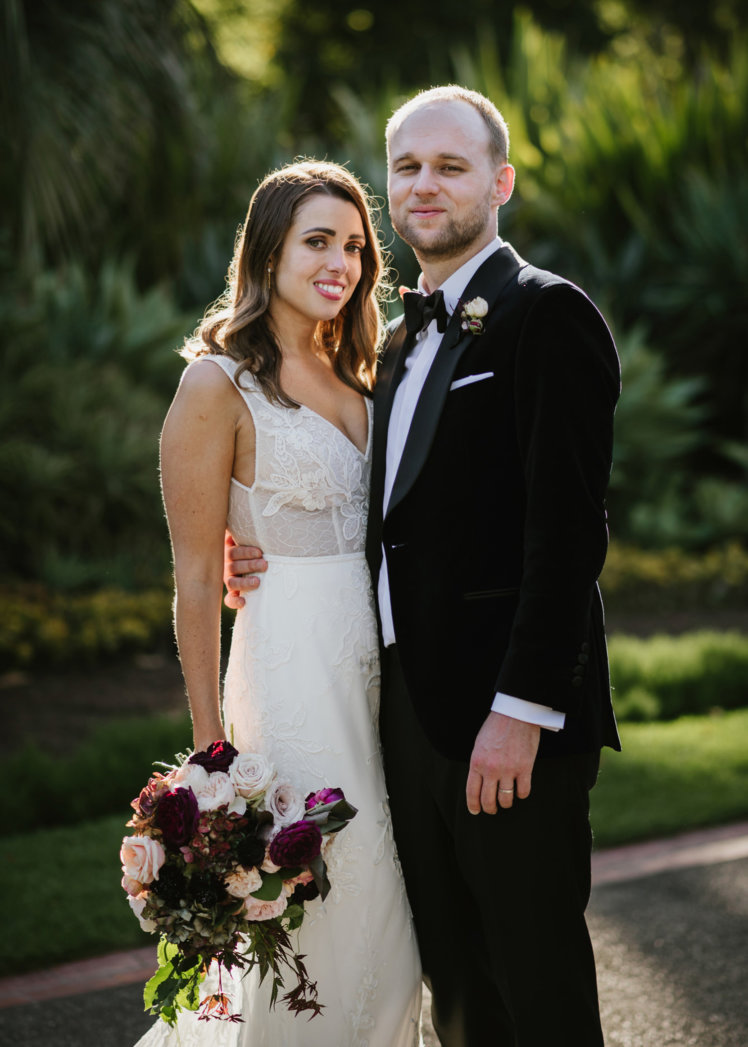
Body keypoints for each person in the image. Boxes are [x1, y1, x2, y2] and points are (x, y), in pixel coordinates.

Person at [226, 86, 621, 1046]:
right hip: (403, 714)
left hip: (506, 718)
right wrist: (262, 553)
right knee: (461, 984)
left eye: (450, 166)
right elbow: (386, 518)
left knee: (539, 980)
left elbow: (566, 536)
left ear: (501, 181)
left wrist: (521, 714)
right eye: (406, 167)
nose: (425, 185)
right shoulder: (396, 347)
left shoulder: (547, 316)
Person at [136, 161, 422, 1047]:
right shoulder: (216, 385)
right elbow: (192, 576)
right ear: (268, 250)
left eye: (353, 245)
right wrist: (211, 755)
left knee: (393, 906)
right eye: (317, 241)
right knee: (322, 892)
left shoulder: (370, 373)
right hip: (291, 673)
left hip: (385, 672)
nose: (340, 260)